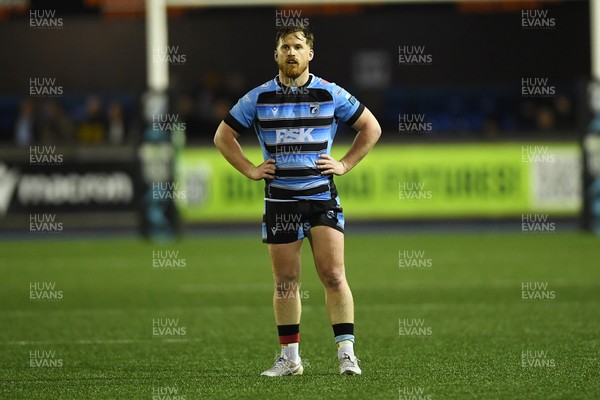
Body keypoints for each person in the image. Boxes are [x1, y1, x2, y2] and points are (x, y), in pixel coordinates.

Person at [213, 24, 381, 376]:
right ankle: (290, 359)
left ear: (310, 54)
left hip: (321, 197)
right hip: (280, 202)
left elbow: (371, 127)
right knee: (286, 282)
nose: (291, 52)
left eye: (298, 47)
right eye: (285, 47)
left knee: (333, 275)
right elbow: (223, 136)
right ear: (276, 55)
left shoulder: (330, 93)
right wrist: (250, 169)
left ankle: (346, 355)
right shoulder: (258, 98)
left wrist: (345, 163)